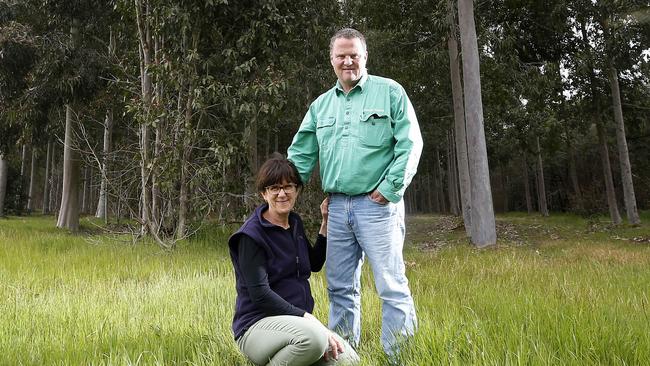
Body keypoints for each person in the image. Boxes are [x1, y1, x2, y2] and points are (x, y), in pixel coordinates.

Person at [287, 28, 423, 357]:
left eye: (354, 55)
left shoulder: (390, 92)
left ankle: (399, 358)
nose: (348, 61)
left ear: (364, 57)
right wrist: (280, 195)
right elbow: (301, 155)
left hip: (377, 207)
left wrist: (389, 188)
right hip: (336, 208)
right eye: (341, 56)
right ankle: (345, 358)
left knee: (391, 286)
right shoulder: (321, 106)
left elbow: (410, 143)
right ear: (331, 60)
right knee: (340, 289)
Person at [228, 154, 359, 366]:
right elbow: (260, 295)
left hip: (296, 325)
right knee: (315, 339)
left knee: (349, 360)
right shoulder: (251, 236)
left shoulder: (294, 223)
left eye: (288, 186)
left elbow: (313, 263)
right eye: (274, 188)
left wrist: (325, 223)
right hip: (256, 327)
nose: (282, 193)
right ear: (264, 194)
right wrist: (309, 319)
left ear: (297, 190)